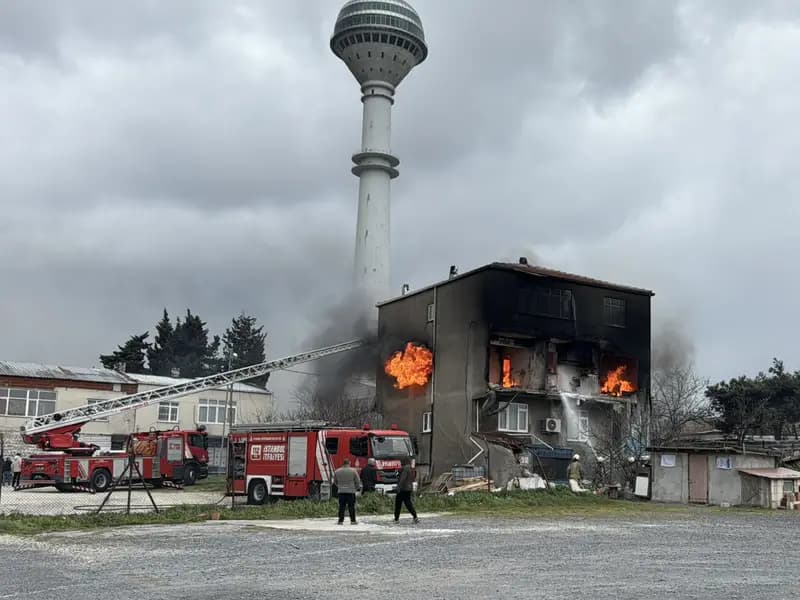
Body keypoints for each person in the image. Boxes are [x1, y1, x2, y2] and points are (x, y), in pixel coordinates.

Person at [333, 458, 362, 525]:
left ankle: (340, 520)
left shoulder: (337, 471)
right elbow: (357, 481)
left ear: (343, 463)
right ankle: (353, 520)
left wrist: (339, 486)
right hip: (351, 492)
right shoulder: (353, 471)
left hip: (341, 492)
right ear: (349, 463)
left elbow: (335, 481)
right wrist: (356, 488)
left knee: (341, 506)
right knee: (351, 506)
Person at [394, 457, 419, 524]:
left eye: (401, 462)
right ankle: (415, 516)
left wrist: (398, 487)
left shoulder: (405, 468)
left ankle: (396, 519)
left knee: (398, 503)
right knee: (408, 503)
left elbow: (403, 478)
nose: (400, 463)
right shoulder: (410, 468)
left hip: (403, 488)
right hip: (409, 488)